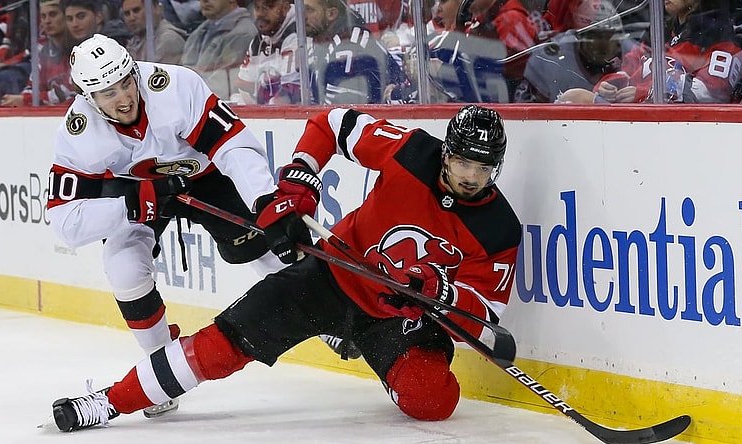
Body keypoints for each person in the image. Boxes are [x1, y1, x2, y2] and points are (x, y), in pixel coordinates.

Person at [49, 104, 523, 432]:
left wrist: (436, 291)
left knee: (434, 402)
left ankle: (365, 343)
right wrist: (298, 183)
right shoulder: (412, 151)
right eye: (461, 160)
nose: (468, 176)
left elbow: (483, 320)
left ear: (496, 168)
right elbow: (331, 124)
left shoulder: (500, 229)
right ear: (446, 150)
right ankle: (108, 401)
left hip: (403, 321)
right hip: (332, 276)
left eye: (482, 168)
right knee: (221, 347)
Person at [46, 33, 285, 417]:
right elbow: (65, 222)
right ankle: (159, 369)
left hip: (206, 177)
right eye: (108, 92)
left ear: (134, 70)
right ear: (88, 98)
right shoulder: (77, 132)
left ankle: (321, 316)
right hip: (136, 193)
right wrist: (131, 203)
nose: (124, 98)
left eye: (126, 82)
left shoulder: (174, 85)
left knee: (266, 244)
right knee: (124, 270)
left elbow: (233, 145)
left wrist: (265, 200)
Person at [559, 0, 741, 104]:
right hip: (637, 117)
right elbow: (628, 69)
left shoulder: (720, 35)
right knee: (572, 99)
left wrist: (645, 93)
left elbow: (710, 93)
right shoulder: (659, 29)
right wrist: (608, 87)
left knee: (575, 98)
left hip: (679, 129)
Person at [517, 0, 636, 103]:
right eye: (597, 36)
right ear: (580, 37)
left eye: (611, 36)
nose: (605, 44)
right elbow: (527, 115)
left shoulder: (629, 59)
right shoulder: (546, 62)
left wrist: (638, 94)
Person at [304, 0, 409, 104]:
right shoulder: (324, 42)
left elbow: (343, 111)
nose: (303, 16)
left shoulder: (348, 45)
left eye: (309, 10)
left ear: (331, 14)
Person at [0, 0, 75, 106]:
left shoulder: (77, 50)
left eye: (53, 14)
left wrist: (26, 100)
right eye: (43, 16)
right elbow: (31, 87)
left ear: (65, 17)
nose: (47, 21)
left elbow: (70, 91)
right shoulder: (43, 52)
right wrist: (20, 99)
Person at [179, 0, 255, 100]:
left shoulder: (243, 33)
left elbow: (223, 87)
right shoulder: (200, 31)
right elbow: (183, 72)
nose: (204, 1)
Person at [231, 0, 299, 105]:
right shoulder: (258, 41)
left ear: (285, 7)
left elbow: (288, 95)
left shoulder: (298, 35)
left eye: (269, 7)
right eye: (257, 8)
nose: (261, 14)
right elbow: (243, 88)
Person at [122, 0, 187, 64]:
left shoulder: (169, 39)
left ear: (158, 9)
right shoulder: (134, 41)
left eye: (136, 10)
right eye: (127, 13)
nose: (131, 18)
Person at [61, 0, 131, 46]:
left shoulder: (115, 43)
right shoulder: (73, 46)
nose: (74, 24)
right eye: (69, 19)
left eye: (81, 16)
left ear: (98, 17)